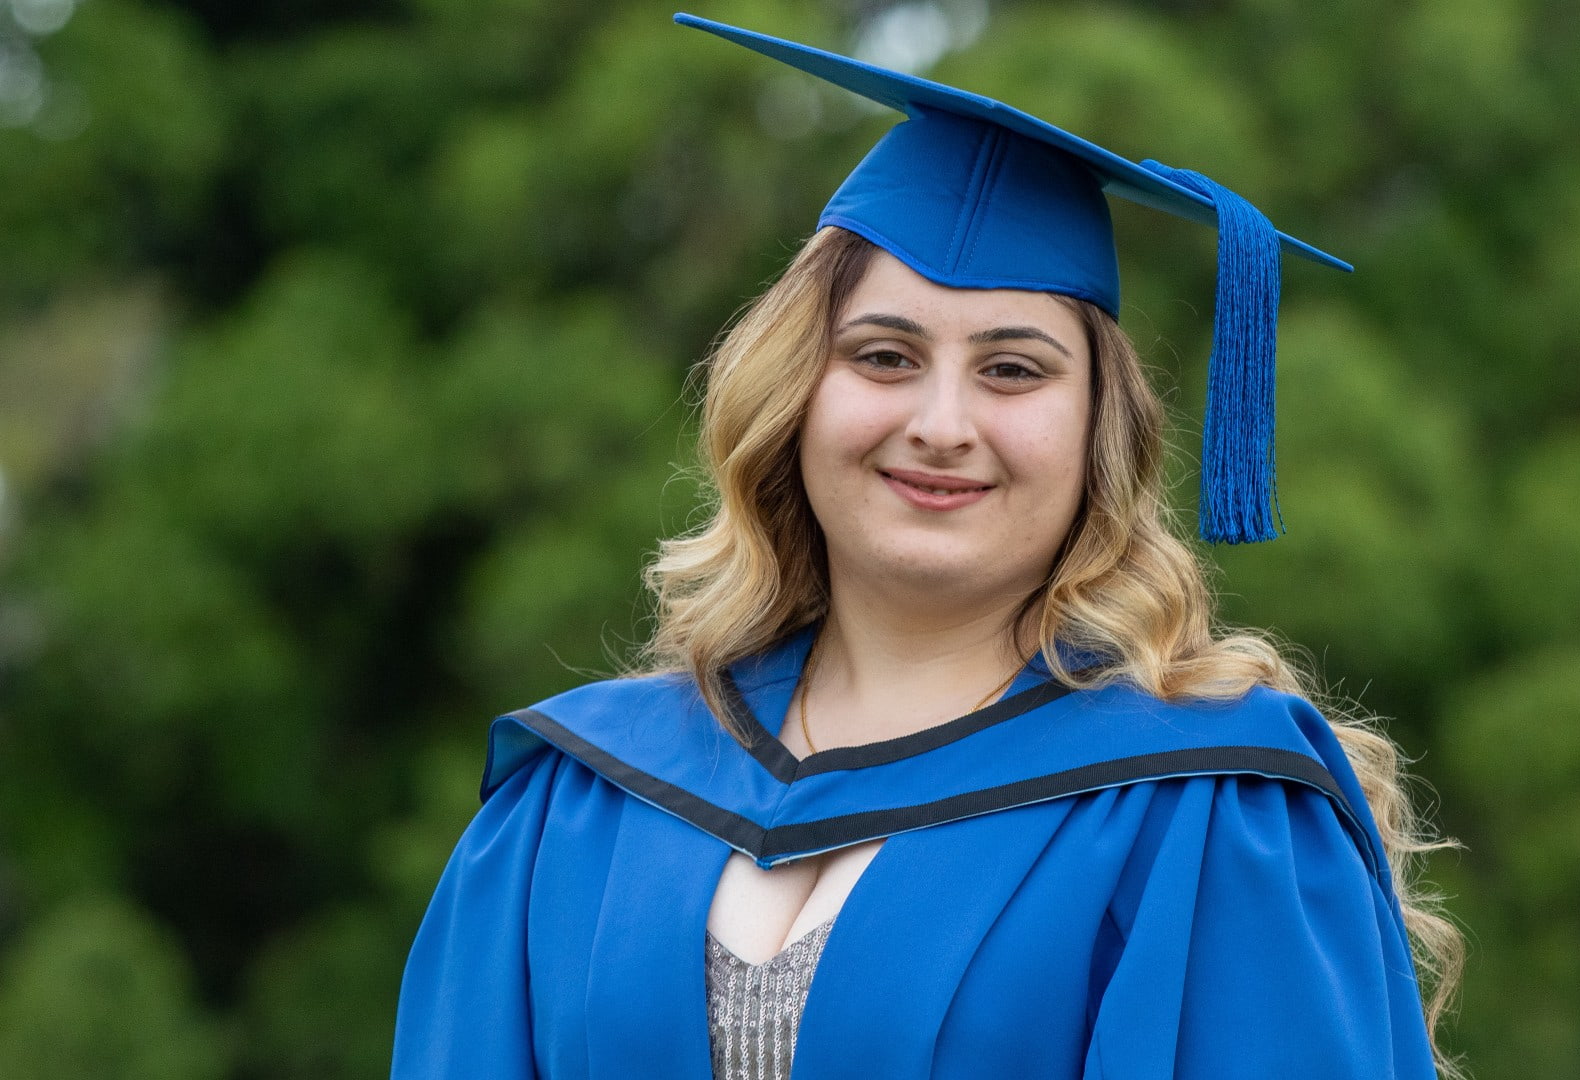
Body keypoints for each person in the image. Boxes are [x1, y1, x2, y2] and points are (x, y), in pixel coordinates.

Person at [392, 13, 1461, 1080]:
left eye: (1013, 371)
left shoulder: (1207, 809)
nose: (943, 423)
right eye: (885, 356)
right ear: (796, 393)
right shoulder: (581, 796)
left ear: (1101, 431)